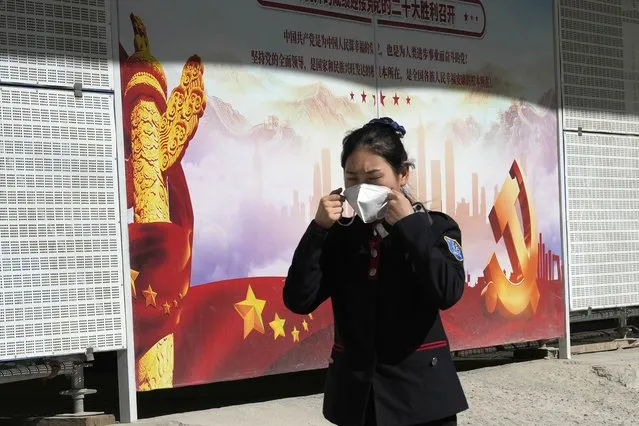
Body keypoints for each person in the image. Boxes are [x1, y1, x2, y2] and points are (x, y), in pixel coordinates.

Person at [283, 117, 468, 426]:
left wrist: (409, 226)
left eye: (373, 177)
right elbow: (299, 299)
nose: (361, 188)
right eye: (352, 178)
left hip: (421, 399)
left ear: (402, 174)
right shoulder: (342, 236)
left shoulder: (436, 228)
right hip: (357, 401)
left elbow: (447, 291)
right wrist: (317, 231)